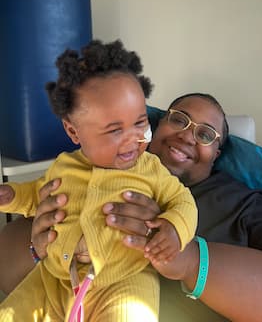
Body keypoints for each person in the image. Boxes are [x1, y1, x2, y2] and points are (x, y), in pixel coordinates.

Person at [0, 94, 262, 320]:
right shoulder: (96, 168)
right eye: (179, 119)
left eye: (205, 134)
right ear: (155, 128)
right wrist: (38, 252)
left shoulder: (245, 203)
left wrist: (188, 260)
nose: (186, 135)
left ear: (217, 153)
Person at [0, 40, 198, 321]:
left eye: (140, 122)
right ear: (73, 131)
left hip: (124, 281)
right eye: (115, 129)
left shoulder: (150, 168)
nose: (134, 137)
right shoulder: (64, 166)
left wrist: (174, 228)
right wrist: (11, 196)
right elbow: (37, 195)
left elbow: (184, 201)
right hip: (54, 278)